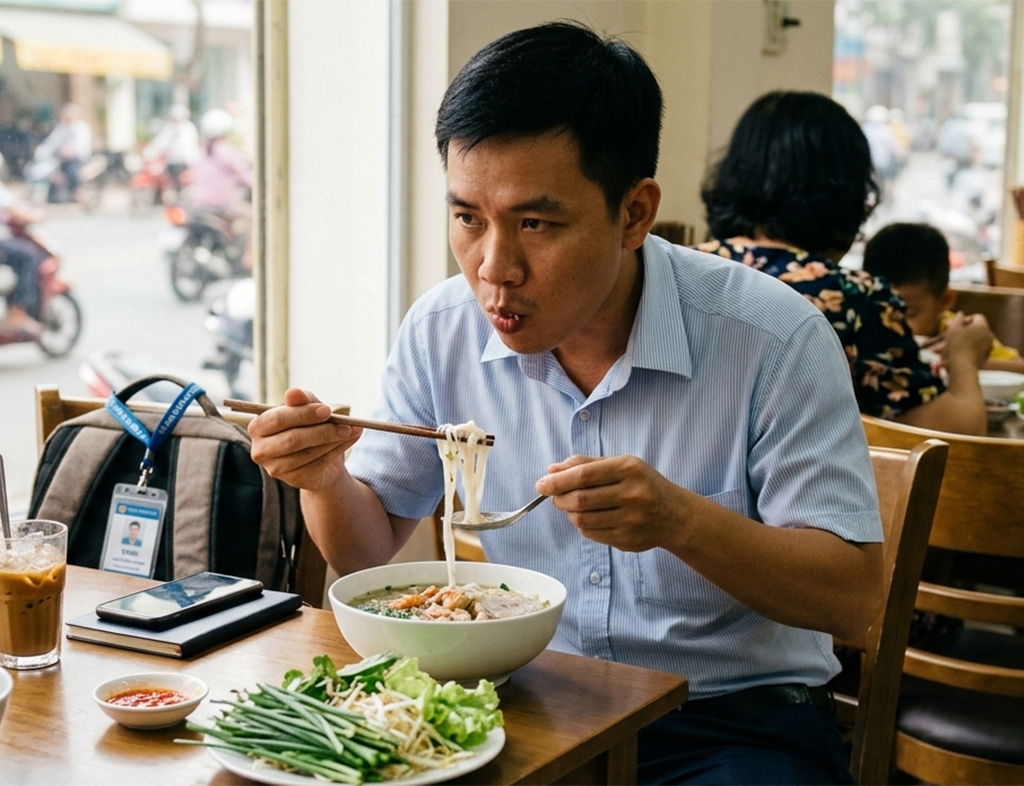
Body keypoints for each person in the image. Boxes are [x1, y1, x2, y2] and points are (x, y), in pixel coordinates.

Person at [248, 22, 883, 785]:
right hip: (524, 703)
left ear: (634, 214)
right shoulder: (442, 329)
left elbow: (851, 601)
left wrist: (678, 520)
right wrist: (323, 481)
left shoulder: (771, 338)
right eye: (466, 218)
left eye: (536, 224)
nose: (494, 268)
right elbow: (369, 549)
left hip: (731, 724)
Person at [698, 90, 994, 436]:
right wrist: (964, 356)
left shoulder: (679, 267)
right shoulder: (856, 300)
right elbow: (958, 440)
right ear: (845, 192)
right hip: (795, 490)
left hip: (663, 485)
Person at [863, 222, 1024, 375]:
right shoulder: (857, 332)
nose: (893, 324)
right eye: (882, 310)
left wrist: (962, 361)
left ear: (946, 300)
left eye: (909, 312)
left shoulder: (956, 335)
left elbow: (1019, 366)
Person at [34, 103, 92, 203]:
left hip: (77, 157)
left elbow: (82, 145)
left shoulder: (81, 128)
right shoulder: (61, 128)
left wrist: (70, 150)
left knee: (73, 170)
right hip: (59, 158)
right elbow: (51, 142)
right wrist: (40, 150)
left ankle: (79, 192)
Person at [142, 103, 199, 199]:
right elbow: (159, 143)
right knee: (170, 184)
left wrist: (193, 163)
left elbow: (191, 147)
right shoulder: (169, 129)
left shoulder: (189, 128)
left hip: (185, 163)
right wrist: (148, 154)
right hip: (171, 162)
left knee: (185, 186)